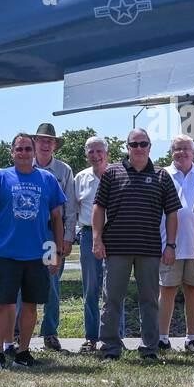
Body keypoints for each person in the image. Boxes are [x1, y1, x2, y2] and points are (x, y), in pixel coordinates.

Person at [92, 128, 181, 361]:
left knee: (150, 301)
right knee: (112, 299)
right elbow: (98, 208)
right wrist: (96, 239)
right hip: (116, 248)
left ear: (150, 147)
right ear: (127, 147)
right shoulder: (111, 173)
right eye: (134, 144)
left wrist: (170, 245)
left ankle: (149, 348)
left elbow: (172, 213)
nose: (139, 148)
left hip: (149, 249)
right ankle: (110, 348)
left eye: (143, 144)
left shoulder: (162, 176)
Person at [0, 133, 65, 370]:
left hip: (37, 256)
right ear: (12, 152)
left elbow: (57, 219)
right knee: (2, 305)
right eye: (19, 149)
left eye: (28, 149)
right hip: (6, 254)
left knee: (31, 305)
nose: (24, 153)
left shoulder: (47, 180)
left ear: (34, 152)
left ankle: (23, 352)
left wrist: (56, 253)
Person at [12, 122, 76, 352]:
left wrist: (67, 238)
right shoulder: (23, 166)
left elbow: (70, 208)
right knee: (20, 282)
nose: (45, 144)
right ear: (34, 143)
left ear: (55, 145)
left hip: (50, 235)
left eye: (50, 141)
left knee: (51, 282)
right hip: (28, 233)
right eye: (41, 140)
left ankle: (50, 332)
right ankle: (18, 332)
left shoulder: (63, 171)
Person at [158, 134, 194, 355]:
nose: (182, 152)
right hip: (169, 244)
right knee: (167, 290)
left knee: (193, 291)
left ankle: (191, 338)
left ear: (193, 152)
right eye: (177, 148)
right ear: (172, 152)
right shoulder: (163, 174)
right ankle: (162, 338)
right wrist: (165, 245)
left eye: (186, 148)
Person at [72, 136, 124, 354]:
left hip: (115, 235)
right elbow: (73, 209)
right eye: (91, 152)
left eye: (99, 151)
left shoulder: (119, 174)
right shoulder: (80, 178)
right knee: (91, 289)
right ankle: (92, 337)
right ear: (86, 154)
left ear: (107, 152)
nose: (95, 155)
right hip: (87, 236)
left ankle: (116, 336)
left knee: (114, 289)